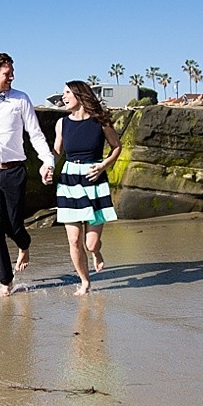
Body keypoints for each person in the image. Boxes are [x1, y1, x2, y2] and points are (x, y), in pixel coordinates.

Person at [0, 52, 55, 296]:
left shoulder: (21, 100)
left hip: (14, 171)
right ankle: (6, 281)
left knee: (14, 225)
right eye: (7, 73)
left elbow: (35, 134)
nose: (12, 77)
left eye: (12, 72)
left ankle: (24, 244)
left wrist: (48, 161)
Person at [52, 80, 122, 295]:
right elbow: (57, 152)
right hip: (69, 181)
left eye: (66, 93)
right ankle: (85, 282)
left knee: (90, 244)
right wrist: (48, 167)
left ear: (79, 96)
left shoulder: (100, 121)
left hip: (94, 180)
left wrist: (103, 165)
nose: (63, 97)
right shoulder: (62, 123)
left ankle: (96, 252)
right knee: (74, 240)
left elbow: (116, 147)